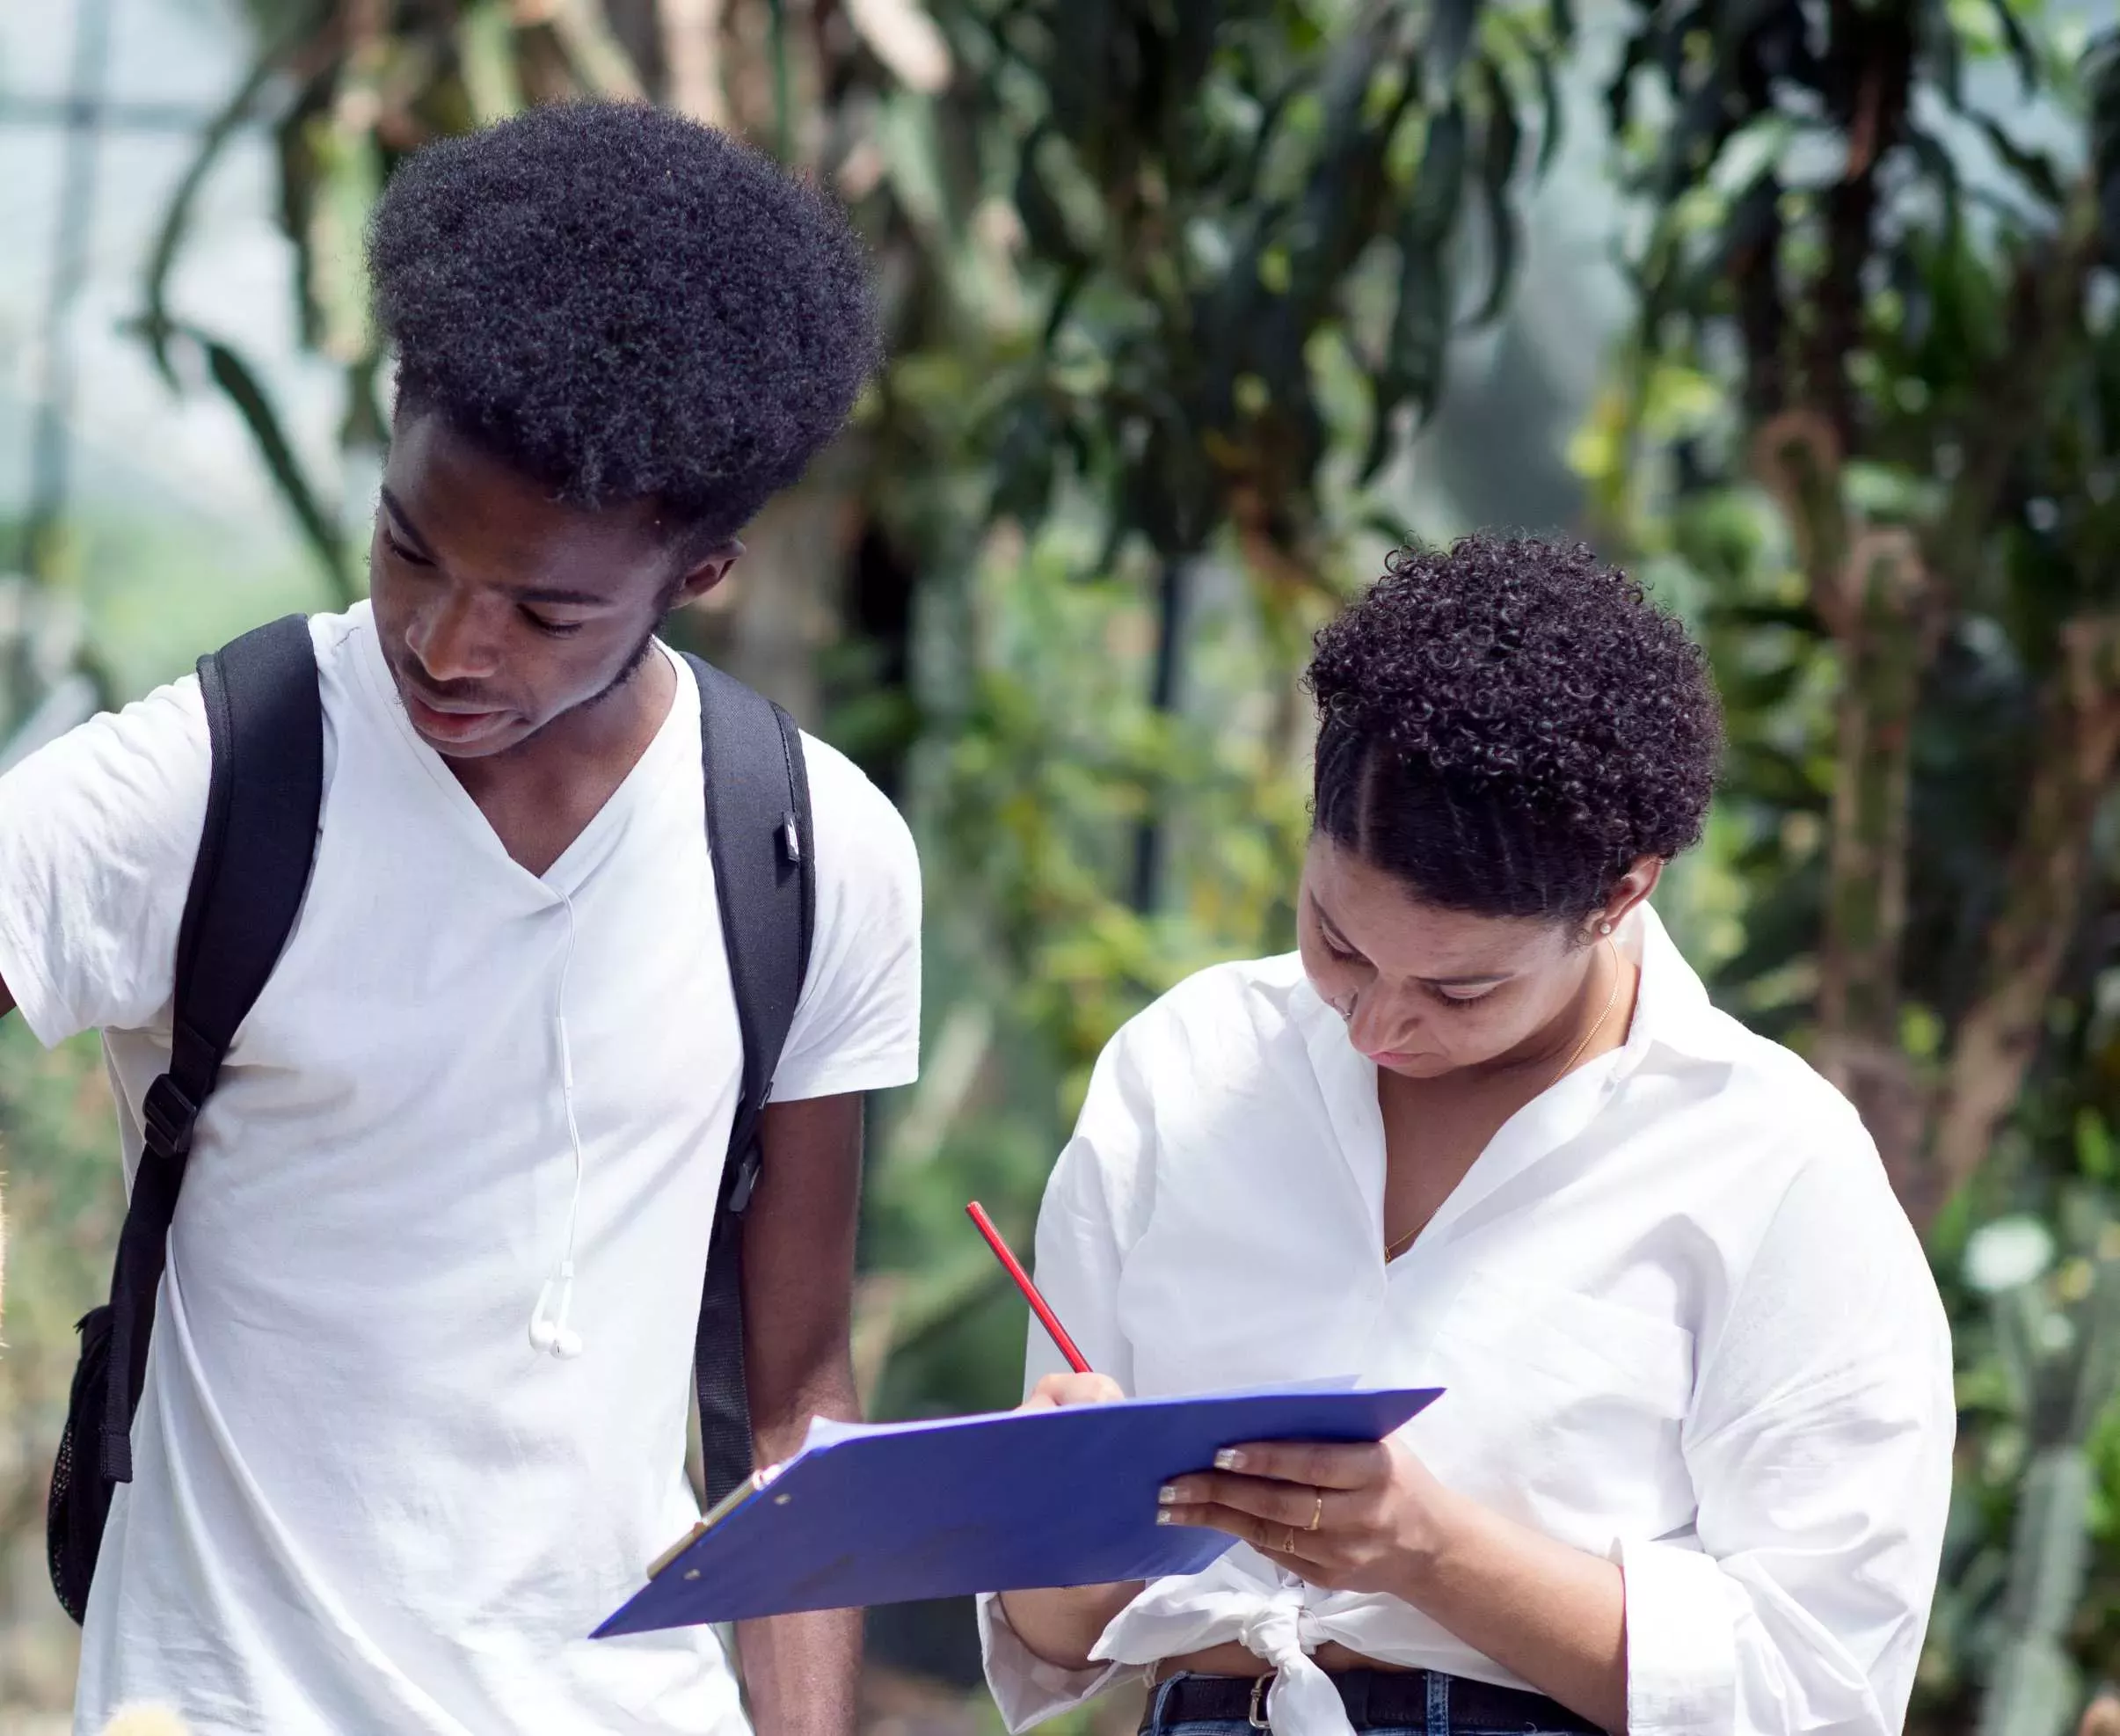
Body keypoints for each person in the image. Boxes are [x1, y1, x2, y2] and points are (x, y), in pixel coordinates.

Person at [0, 103, 920, 1736]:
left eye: (545, 609)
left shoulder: (804, 848)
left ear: (698, 574)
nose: (444, 640)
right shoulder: (221, 774)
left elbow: (793, 1397)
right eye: (408, 549)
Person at [980, 535, 1953, 1736]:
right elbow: (1056, 1645)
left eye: (1460, 990)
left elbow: (1823, 1687)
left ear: (1620, 894)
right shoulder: (1186, 1070)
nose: (1378, 1019)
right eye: (1337, 941)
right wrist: (1055, 1518)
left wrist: (1431, 1549)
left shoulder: (1768, 1159)